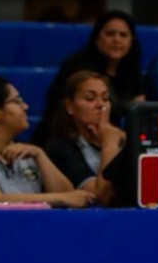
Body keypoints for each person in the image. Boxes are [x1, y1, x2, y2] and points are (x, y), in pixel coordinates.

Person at [0, 76, 96, 208]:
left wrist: (40, 155)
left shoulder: (27, 151)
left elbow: (69, 195)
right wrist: (58, 198)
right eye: (17, 101)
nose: (25, 107)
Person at [35, 10, 145, 144]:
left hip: (108, 140)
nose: (117, 40)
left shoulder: (133, 73)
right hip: (70, 140)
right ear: (97, 38)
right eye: (110, 34)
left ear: (131, 42)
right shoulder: (77, 68)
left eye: (123, 35)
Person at [43, 71, 126, 207]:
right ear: (69, 106)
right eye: (90, 98)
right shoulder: (60, 148)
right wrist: (109, 146)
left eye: (105, 98)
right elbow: (100, 197)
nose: (100, 105)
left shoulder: (124, 139)